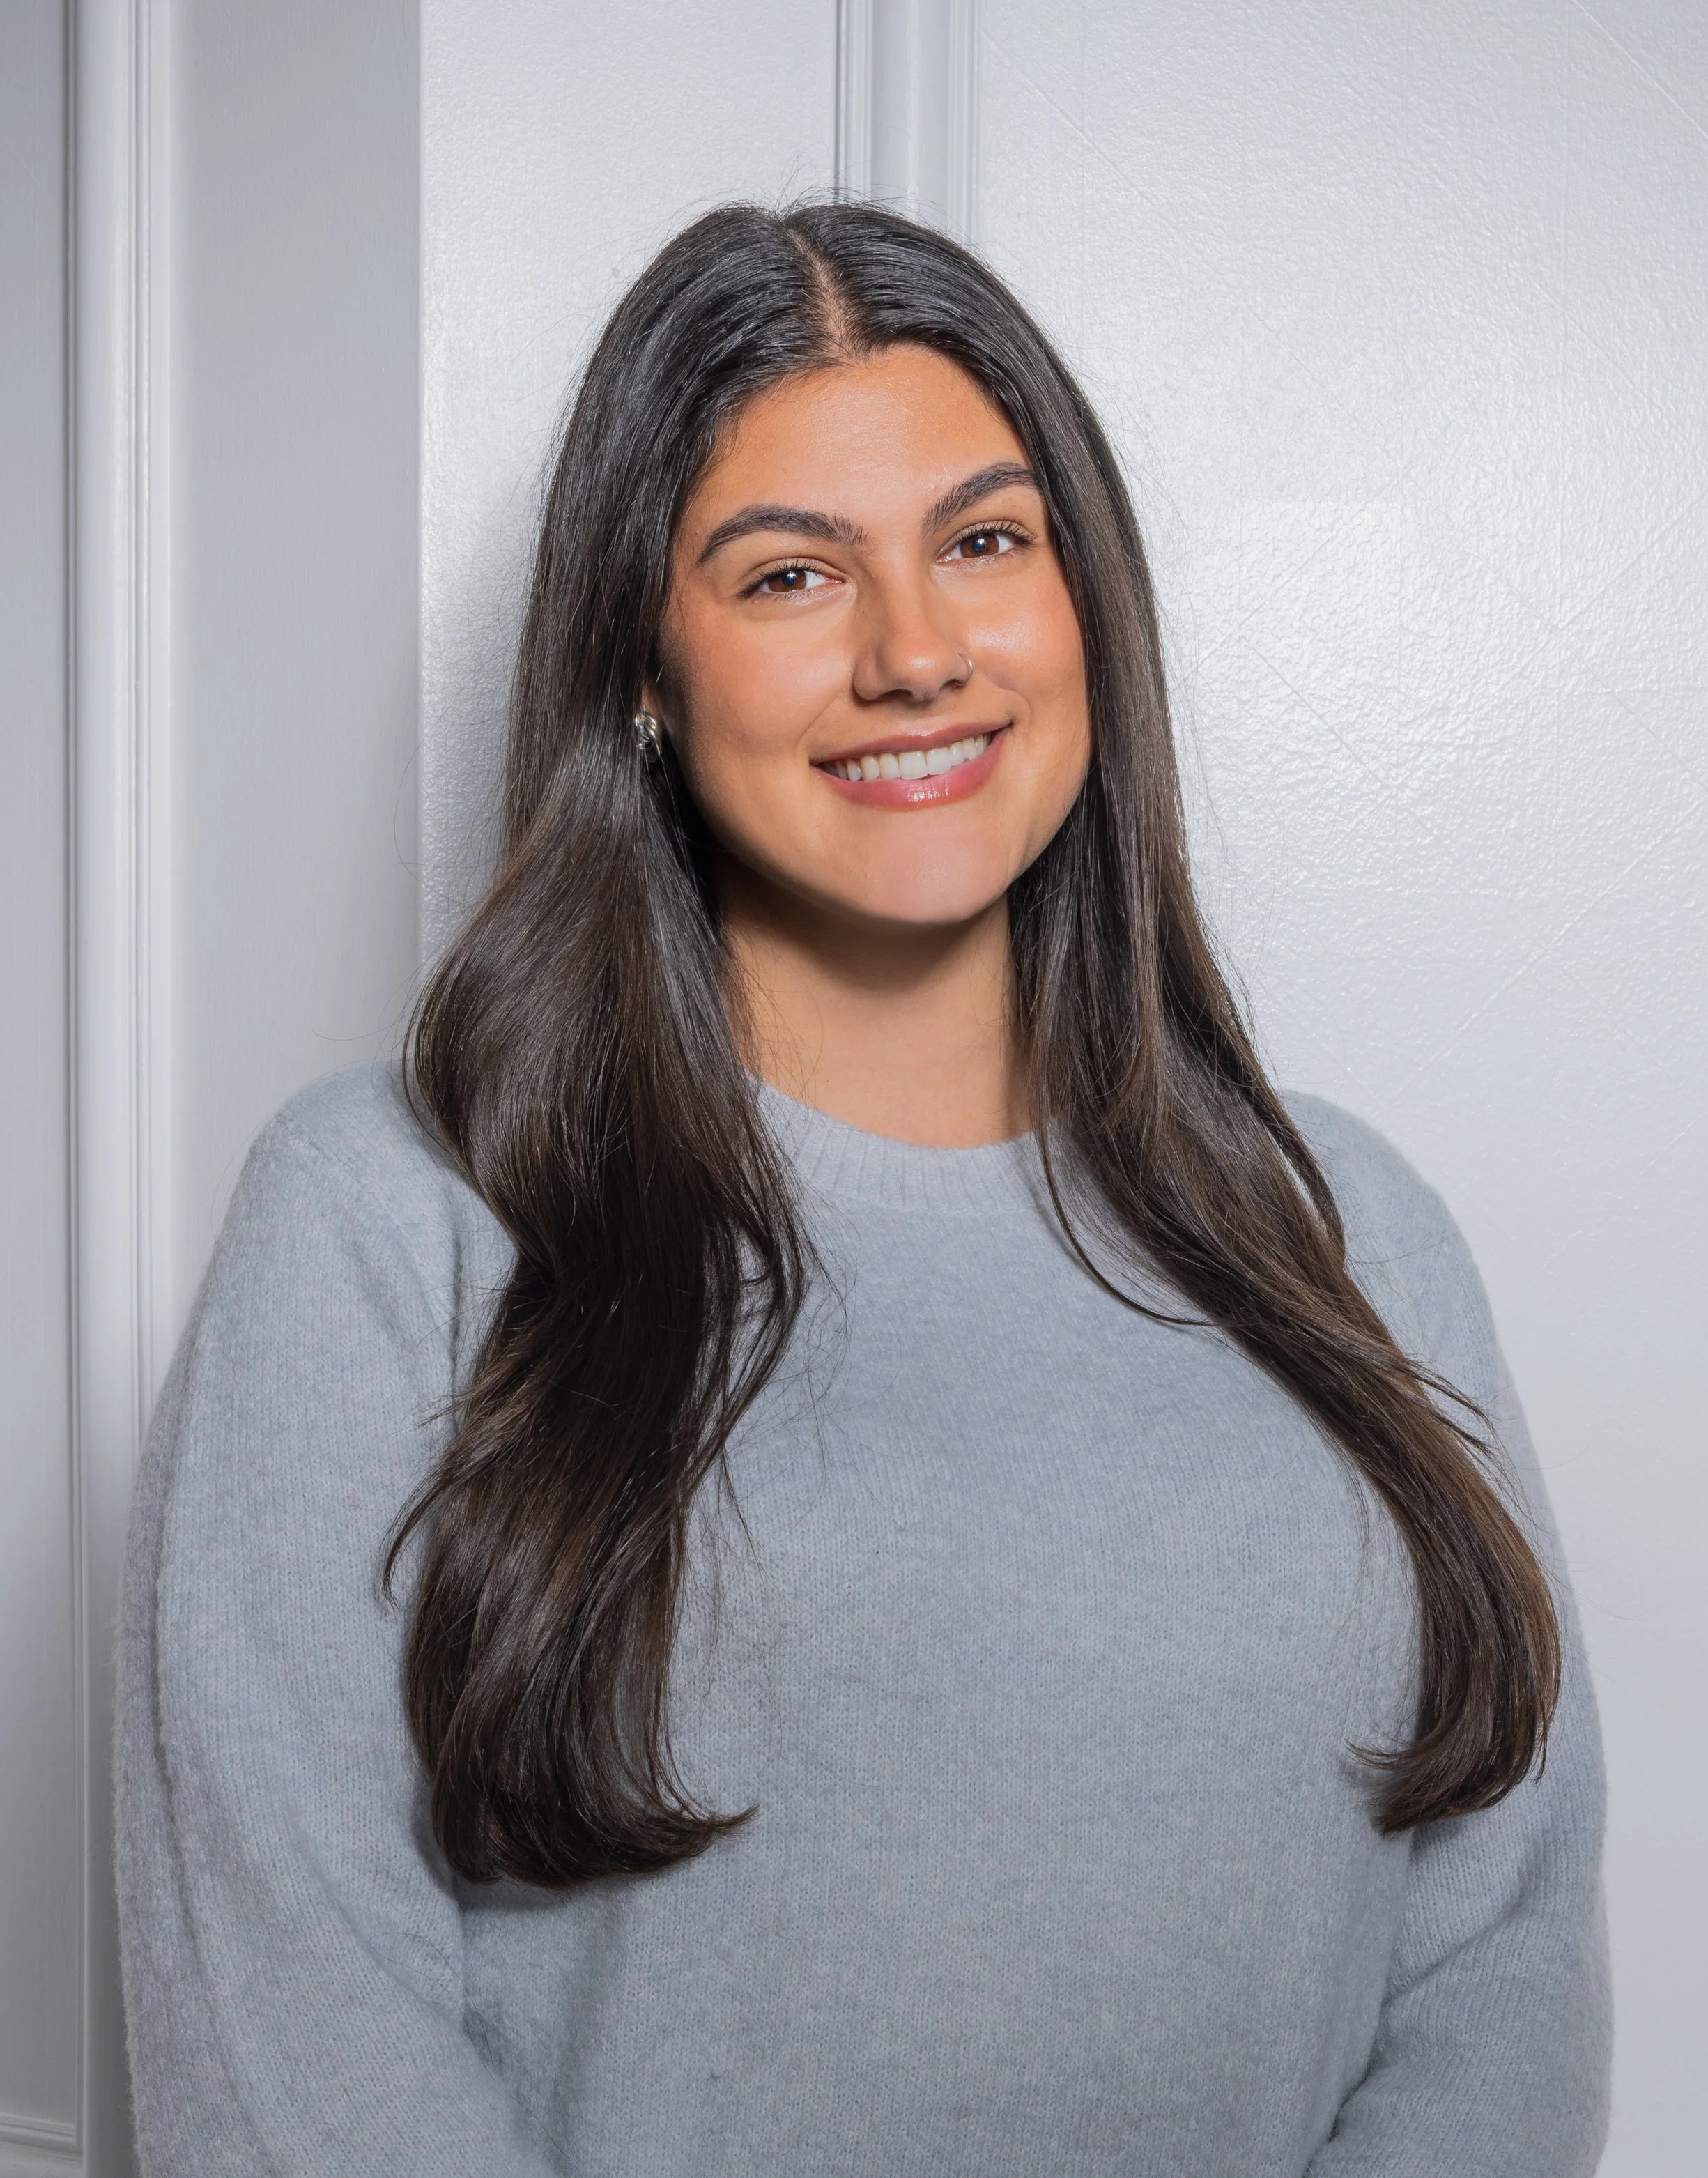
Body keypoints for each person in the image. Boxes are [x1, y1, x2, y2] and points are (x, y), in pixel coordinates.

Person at [115, 201, 1608, 2177]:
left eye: (984, 542)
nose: (916, 654)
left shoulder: (1354, 1232)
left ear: (1085, 604)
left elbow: (1497, 1970)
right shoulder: (391, 1225)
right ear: (638, 668)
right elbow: (288, 2036)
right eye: (789, 571)